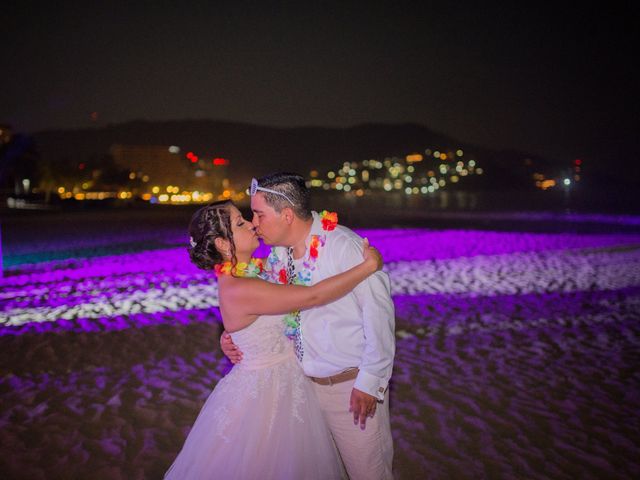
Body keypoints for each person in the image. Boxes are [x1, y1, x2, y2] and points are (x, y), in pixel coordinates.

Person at [164, 199, 383, 480]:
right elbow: (312, 296)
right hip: (270, 394)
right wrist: (368, 267)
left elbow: (289, 269)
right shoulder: (241, 287)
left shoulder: (253, 270)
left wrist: (232, 336)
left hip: (288, 379)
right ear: (222, 244)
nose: (251, 224)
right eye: (240, 223)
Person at [221, 172, 396, 479]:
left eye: (259, 214)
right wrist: (234, 335)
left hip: (348, 389)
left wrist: (370, 381)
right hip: (300, 390)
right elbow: (266, 308)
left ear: (286, 215)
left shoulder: (344, 246)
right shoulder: (277, 254)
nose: (254, 223)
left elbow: (380, 317)